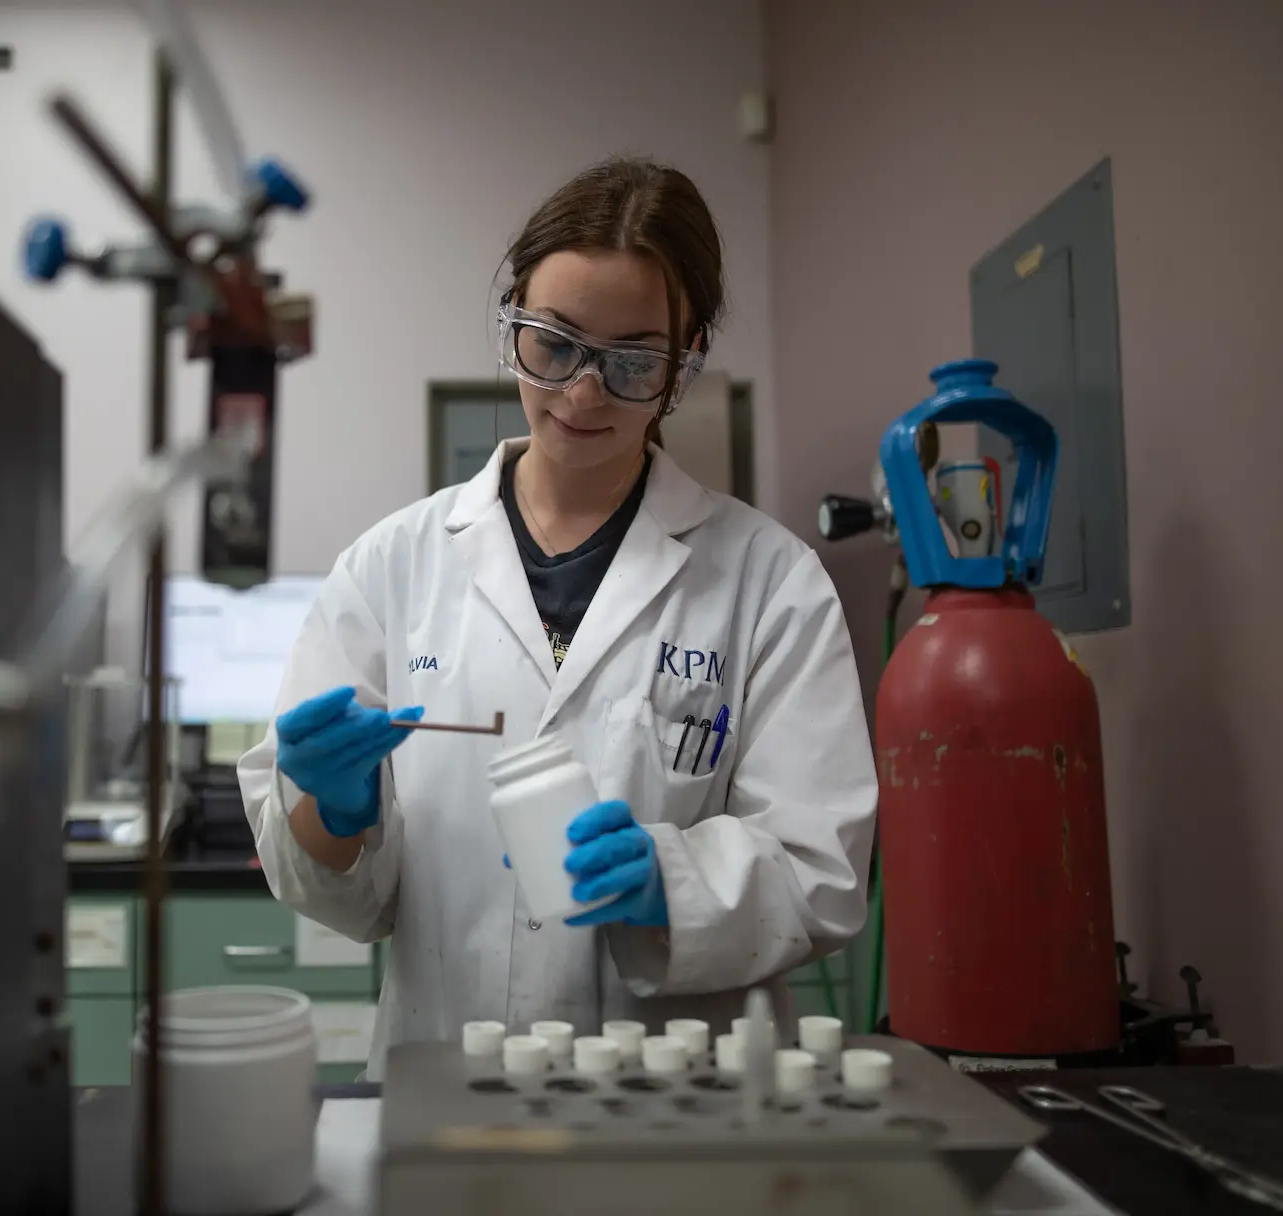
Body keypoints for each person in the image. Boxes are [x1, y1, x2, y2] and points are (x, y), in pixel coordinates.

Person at [237, 157, 876, 1078]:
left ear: (685, 362)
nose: (583, 393)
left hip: (679, 1095)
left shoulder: (771, 584)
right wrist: (332, 813)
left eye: (631, 362)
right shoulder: (390, 568)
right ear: (511, 326)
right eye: (556, 344)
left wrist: (673, 884)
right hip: (450, 1080)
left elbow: (821, 870)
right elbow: (335, 892)